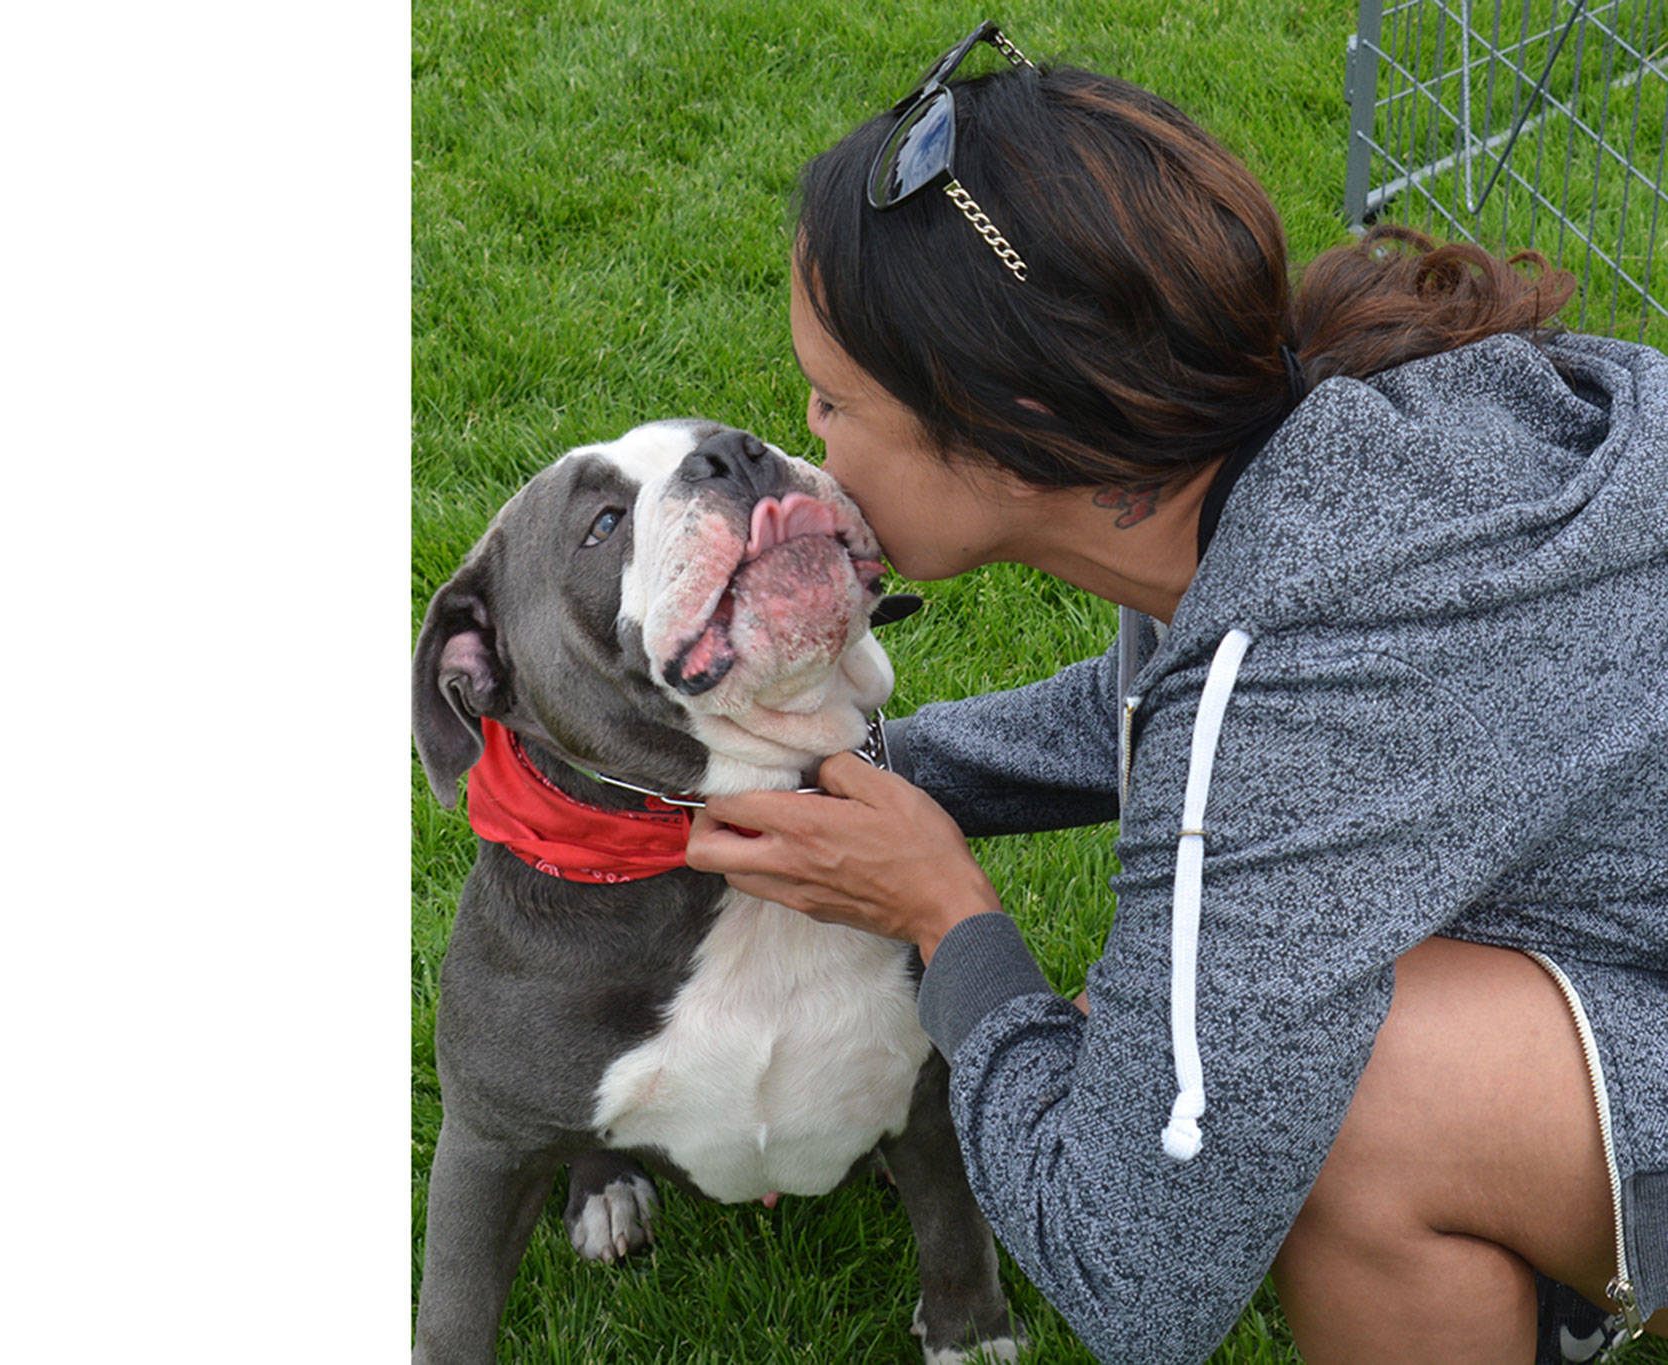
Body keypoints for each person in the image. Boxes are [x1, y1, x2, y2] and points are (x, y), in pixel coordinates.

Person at [684, 19, 1668, 1365]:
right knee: (1209, 1029)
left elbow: (1136, 1273)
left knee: (1343, 1096)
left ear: (1025, 441)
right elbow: (1152, 712)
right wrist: (866, 775)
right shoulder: (1330, 441)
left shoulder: (1300, 674)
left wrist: (946, 912)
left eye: (836, 400)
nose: (811, 436)